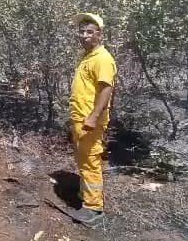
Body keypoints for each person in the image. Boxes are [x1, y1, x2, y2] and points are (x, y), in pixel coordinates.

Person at [67, 13, 117, 228]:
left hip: (90, 120)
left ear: (100, 34)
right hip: (80, 118)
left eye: (90, 32)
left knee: (90, 161)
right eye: (82, 31)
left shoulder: (103, 58)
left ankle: (94, 208)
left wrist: (94, 116)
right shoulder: (89, 56)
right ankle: (84, 195)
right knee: (83, 159)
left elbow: (106, 88)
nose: (84, 36)